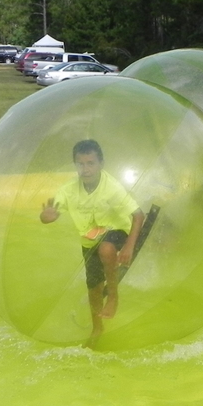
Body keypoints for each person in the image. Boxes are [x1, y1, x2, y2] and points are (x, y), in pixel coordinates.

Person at [40, 139, 145, 346]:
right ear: (75, 165)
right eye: (80, 164)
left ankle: (113, 297)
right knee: (94, 287)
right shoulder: (68, 190)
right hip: (89, 242)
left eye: (91, 163)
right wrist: (46, 216)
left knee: (106, 249)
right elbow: (50, 214)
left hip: (118, 231)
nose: (85, 169)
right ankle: (97, 327)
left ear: (101, 164)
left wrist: (128, 247)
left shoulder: (112, 187)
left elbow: (138, 216)